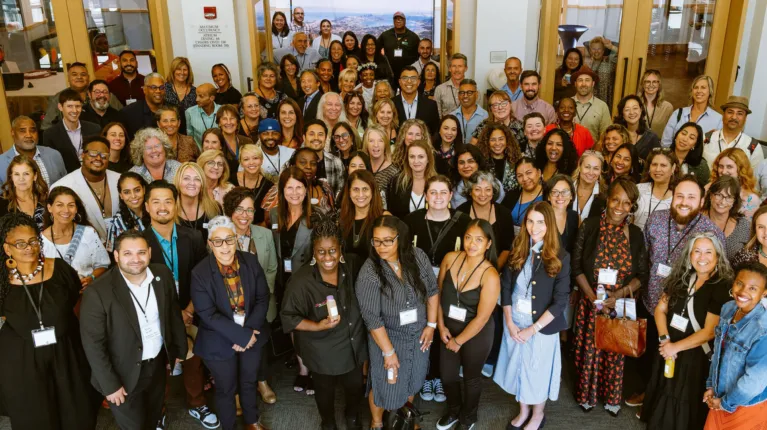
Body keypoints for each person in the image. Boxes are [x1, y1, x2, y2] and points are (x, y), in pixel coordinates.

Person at [629, 175, 725, 407]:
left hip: (684, 311)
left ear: (701, 202)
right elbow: (644, 256)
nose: (684, 201)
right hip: (651, 299)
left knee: (674, 358)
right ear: (672, 197)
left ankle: (658, 401)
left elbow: (716, 274)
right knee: (649, 349)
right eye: (680, 195)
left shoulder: (711, 232)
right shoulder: (656, 219)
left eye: (691, 197)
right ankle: (646, 392)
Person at [0, 213, 98, 430]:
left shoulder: (59, 268)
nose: (29, 247)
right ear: (7, 249)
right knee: (35, 416)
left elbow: (73, 295)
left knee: (75, 412)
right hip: (22, 359)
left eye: (34, 241)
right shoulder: (2, 279)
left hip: (66, 353)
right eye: (20, 243)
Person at [281, 212, 367, 430]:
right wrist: (318, 325)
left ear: (340, 250)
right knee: (324, 391)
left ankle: (352, 417)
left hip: (353, 344)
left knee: (355, 386)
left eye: (332, 251)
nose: (327, 257)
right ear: (313, 252)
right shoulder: (301, 281)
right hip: (321, 349)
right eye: (321, 252)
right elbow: (289, 318)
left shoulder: (353, 266)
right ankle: (327, 422)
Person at [640, 233, 732, 429]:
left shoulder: (722, 286)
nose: (702, 257)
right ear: (689, 255)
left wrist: (675, 348)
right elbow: (660, 309)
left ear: (717, 255)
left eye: (708, 252)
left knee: (683, 402)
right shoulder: (681, 278)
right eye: (697, 251)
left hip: (694, 356)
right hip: (669, 349)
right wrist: (665, 340)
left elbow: (709, 331)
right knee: (664, 391)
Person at [572, 177, 648, 416]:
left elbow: (642, 275)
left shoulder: (635, 234)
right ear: (607, 199)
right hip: (591, 301)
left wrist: (618, 295)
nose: (619, 206)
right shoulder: (590, 226)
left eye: (626, 203)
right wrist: (595, 297)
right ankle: (587, 395)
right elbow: (576, 268)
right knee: (590, 350)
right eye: (615, 199)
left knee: (615, 350)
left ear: (632, 206)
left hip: (620, 304)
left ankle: (611, 397)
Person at [356, 215, 439, 430]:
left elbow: (432, 291)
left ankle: (404, 417)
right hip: (388, 339)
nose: (381, 247)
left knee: (412, 379)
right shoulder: (369, 272)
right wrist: (388, 352)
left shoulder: (417, 256)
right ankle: (376, 422)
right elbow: (372, 318)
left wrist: (431, 325)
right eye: (376, 240)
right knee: (385, 384)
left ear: (399, 238)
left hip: (419, 335)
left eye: (387, 240)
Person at [188, 216, 271, 430]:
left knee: (249, 381)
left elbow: (263, 298)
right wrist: (239, 336)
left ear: (237, 240)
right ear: (210, 243)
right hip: (219, 339)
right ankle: (229, 426)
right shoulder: (199, 273)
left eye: (229, 240)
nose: (224, 247)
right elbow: (207, 314)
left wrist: (249, 332)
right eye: (218, 241)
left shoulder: (250, 261)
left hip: (252, 333)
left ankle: (251, 421)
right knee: (226, 388)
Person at [494, 201, 570, 429]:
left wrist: (532, 329)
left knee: (537, 372)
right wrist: (509, 321)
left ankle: (537, 414)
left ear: (549, 224)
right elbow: (506, 287)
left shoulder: (560, 256)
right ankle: (523, 410)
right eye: (530, 221)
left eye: (540, 222)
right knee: (518, 368)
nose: (534, 227)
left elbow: (561, 301)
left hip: (541, 327)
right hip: (515, 322)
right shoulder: (519, 249)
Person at [434, 219, 500, 429]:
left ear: (488, 244)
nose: (472, 244)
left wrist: (459, 341)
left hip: (476, 334)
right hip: (448, 329)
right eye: (468, 238)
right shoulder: (450, 258)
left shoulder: (489, 274)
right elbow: (438, 294)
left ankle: (468, 417)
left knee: (471, 378)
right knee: (447, 375)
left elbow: (482, 318)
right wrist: (441, 326)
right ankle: (454, 410)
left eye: (479, 240)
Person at [222, 187, 279, 405]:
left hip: (260, 304)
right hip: (231, 306)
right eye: (239, 210)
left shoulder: (264, 235)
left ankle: (262, 381)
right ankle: (236, 391)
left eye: (250, 210)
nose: (245, 216)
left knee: (260, 343)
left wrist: (261, 300)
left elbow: (272, 269)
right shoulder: (221, 236)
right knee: (233, 346)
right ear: (229, 211)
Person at [703, 262, 767, 429]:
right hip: (719, 399)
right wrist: (711, 386)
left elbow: (754, 382)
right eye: (740, 283)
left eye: (753, 288)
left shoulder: (763, 329)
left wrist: (725, 402)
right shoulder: (728, 309)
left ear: (764, 293)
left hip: (746, 407)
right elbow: (718, 353)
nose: (743, 291)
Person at [51, 136, 120, 241]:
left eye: (104, 155)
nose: (98, 158)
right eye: (93, 153)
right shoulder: (63, 186)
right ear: (82, 155)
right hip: (84, 246)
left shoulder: (120, 179)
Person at [41, 185, 109, 287]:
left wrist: (91, 279)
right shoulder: (41, 241)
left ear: (76, 209)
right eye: (60, 205)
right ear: (49, 207)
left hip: (88, 295)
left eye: (71, 205)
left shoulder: (88, 233)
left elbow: (103, 265)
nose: (66, 210)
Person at [41, 61, 123, 131]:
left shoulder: (105, 95)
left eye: (83, 74)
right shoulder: (58, 98)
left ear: (88, 77)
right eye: (74, 74)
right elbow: (47, 126)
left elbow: (122, 116)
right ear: (68, 78)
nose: (79, 77)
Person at [456, 170, 515, 266]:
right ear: (470, 191)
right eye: (478, 189)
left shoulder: (504, 213)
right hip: (466, 267)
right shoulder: (460, 213)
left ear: (493, 192)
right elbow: (457, 248)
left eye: (488, 189)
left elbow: (507, 249)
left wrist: (493, 270)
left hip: (497, 268)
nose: (483, 194)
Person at [41, 88, 101, 173]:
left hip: (91, 176)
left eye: (78, 106)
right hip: (65, 180)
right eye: (69, 106)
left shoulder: (94, 129)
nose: (74, 110)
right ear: (60, 107)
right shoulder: (50, 134)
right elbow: (51, 164)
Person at [1, 116, 67, 187]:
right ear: (12, 133)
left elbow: (65, 186)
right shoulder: (1, 163)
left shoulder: (54, 155)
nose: (29, 135)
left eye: (33, 130)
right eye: (22, 131)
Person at [340, 169, 390, 261]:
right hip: (348, 273)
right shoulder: (342, 218)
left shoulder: (384, 217)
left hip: (376, 274)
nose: (360, 194)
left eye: (365, 189)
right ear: (349, 192)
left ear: (372, 191)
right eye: (356, 189)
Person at [662, 75, 723, 146]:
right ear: (692, 91)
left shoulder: (718, 119)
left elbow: (716, 147)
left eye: (703, 88)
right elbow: (665, 142)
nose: (699, 91)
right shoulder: (678, 113)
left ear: (710, 91)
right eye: (696, 87)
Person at [704, 96, 762, 170]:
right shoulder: (706, 139)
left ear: (745, 118)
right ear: (723, 115)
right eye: (730, 112)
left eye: (739, 113)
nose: (734, 117)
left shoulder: (753, 147)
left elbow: (754, 179)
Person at [702, 176, 750, 260]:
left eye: (729, 197)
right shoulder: (696, 220)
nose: (722, 202)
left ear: (734, 201)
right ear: (710, 196)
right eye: (719, 195)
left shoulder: (743, 225)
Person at [387, 140, 437, 219]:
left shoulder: (437, 183)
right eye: (412, 156)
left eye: (421, 157)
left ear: (428, 159)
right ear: (407, 159)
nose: (416, 161)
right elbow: (392, 213)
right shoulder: (396, 182)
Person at [634, 148, 680, 230]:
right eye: (654, 164)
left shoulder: (679, 196)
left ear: (673, 168)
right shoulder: (638, 189)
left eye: (663, 165)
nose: (658, 169)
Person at [174, 162, 222, 239]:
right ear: (178, 182)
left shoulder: (215, 208)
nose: (192, 183)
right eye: (186, 178)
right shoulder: (170, 211)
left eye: (197, 179)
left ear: (202, 184)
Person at [709, 148, 761, 216]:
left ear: (741, 170)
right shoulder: (709, 188)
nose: (724, 171)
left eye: (729, 167)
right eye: (721, 166)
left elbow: (748, 225)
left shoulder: (750, 199)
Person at [0, 155, 47, 229]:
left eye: (26, 174)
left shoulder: (44, 198)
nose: (21, 179)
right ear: (11, 177)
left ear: (35, 176)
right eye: (16, 174)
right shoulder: (2, 202)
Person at [302, 119, 345, 198]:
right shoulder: (292, 163)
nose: (316, 138)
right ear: (304, 138)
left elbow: (341, 195)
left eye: (320, 134)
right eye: (311, 134)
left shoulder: (336, 163)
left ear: (325, 138)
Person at [105, 172, 147, 253]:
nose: (133, 196)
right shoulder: (116, 223)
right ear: (121, 195)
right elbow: (113, 254)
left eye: (137, 190)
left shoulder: (155, 212)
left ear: (144, 190)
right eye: (127, 192)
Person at [476, 123, 522, 193]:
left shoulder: (516, 161)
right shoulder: (481, 163)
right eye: (493, 140)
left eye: (501, 139)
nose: (497, 143)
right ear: (487, 142)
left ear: (507, 140)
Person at [502, 157, 544, 236]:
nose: (524, 178)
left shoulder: (548, 196)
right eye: (520, 175)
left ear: (538, 172)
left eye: (529, 173)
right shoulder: (511, 196)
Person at [393, 66, 440, 135]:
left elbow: (434, 132)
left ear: (418, 82)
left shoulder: (431, 105)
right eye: (405, 78)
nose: (409, 81)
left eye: (413, 78)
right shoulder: (391, 104)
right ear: (400, 82)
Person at [377, 11, 420, 86]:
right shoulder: (385, 35)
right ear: (393, 21)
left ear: (405, 21)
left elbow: (419, 54)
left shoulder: (413, 37)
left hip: (407, 75)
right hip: (390, 74)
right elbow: (376, 49)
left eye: (401, 19)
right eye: (396, 19)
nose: (398, 20)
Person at [120, 72, 167, 140]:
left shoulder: (172, 110)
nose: (158, 91)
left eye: (161, 87)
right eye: (153, 87)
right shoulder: (129, 113)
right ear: (144, 90)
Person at [614, 94, 661, 162]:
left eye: (635, 108)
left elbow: (658, 160)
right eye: (627, 110)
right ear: (622, 113)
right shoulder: (616, 133)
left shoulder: (651, 137)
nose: (632, 112)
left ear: (641, 110)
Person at [572, 68, 612, 143]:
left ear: (593, 83)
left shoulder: (602, 106)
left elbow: (606, 134)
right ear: (575, 83)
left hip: (592, 152)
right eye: (580, 80)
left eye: (587, 80)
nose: (583, 84)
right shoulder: (566, 104)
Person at [235, 144, 273, 224]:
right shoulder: (231, 180)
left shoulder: (269, 186)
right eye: (246, 159)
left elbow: (267, 219)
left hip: (258, 230)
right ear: (241, 163)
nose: (251, 162)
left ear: (262, 160)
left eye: (255, 158)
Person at [363, 124, 400, 202]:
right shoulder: (361, 167)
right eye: (371, 141)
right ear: (366, 144)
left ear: (385, 144)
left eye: (380, 141)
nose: (376, 145)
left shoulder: (393, 173)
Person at [545, 174, 579, 253]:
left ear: (571, 195)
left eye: (565, 192)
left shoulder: (574, 216)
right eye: (555, 192)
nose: (560, 196)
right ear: (548, 197)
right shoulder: (541, 217)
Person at [637, 69, 675, 138]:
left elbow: (670, 132)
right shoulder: (635, 104)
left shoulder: (667, 107)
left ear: (659, 84)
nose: (651, 85)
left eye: (654, 82)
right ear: (642, 84)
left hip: (658, 147)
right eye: (647, 82)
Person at [572, 150, 607, 223]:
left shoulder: (605, 195)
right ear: (579, 166)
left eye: (596, 168)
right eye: (587, 167)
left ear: (600, 171)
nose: (591, 172)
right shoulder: (567, 187)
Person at [452, 79, 489, 145]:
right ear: (458, 95)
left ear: (476, 94)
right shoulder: (452, 116)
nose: (465, 96)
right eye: (462, 93)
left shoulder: (485, 116)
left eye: (469, 93)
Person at [163, 57, 198, 128]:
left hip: (189, 130)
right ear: (173, 71)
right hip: (168, 129)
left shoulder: (195, 91)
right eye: (178, 69)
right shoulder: (165, 88)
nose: (182, 73)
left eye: (185, 70)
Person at [584, 36, 619, 107]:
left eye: (599, 49)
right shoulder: (588, 64)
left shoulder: (609, 60)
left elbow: (621, 55)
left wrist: (611, 46)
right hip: (592, 99)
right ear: (590, 51)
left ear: (603, 50)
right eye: (594, 49)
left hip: (607, 98)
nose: (596, 51)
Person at [435, 53, 469, 117]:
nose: (457, 70)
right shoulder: (440, 89)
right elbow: (437, 116)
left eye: (460, 66)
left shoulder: (473, 90)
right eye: (454, 66)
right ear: (449, 68)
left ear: (466, 68)